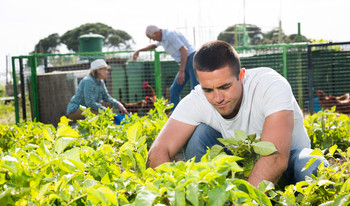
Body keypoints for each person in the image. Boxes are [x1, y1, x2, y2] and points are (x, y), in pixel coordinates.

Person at [147, 40, 329, 187]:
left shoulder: (270, 85)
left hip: (289, 168)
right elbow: (157, 152)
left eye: (225, 87)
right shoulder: (197, 99)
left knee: (311, 162)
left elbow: (275, 158)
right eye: (208, 90)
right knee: (199, 135)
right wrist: (178, 196)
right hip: (239, 171)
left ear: (241, 76)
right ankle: (207, 196)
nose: (217, 98)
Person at [132, 25, 199, 110]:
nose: (152, 40)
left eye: (152, 38)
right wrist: (139, 50)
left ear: (157, 33)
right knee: (173, 91)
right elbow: (154, 46)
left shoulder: (170, 34)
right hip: (184, 62)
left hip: (192, 60)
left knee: (196, 89)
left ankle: (200, 115)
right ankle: (175, 116)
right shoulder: (161, 38)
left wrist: (181, 71)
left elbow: (184, 50)